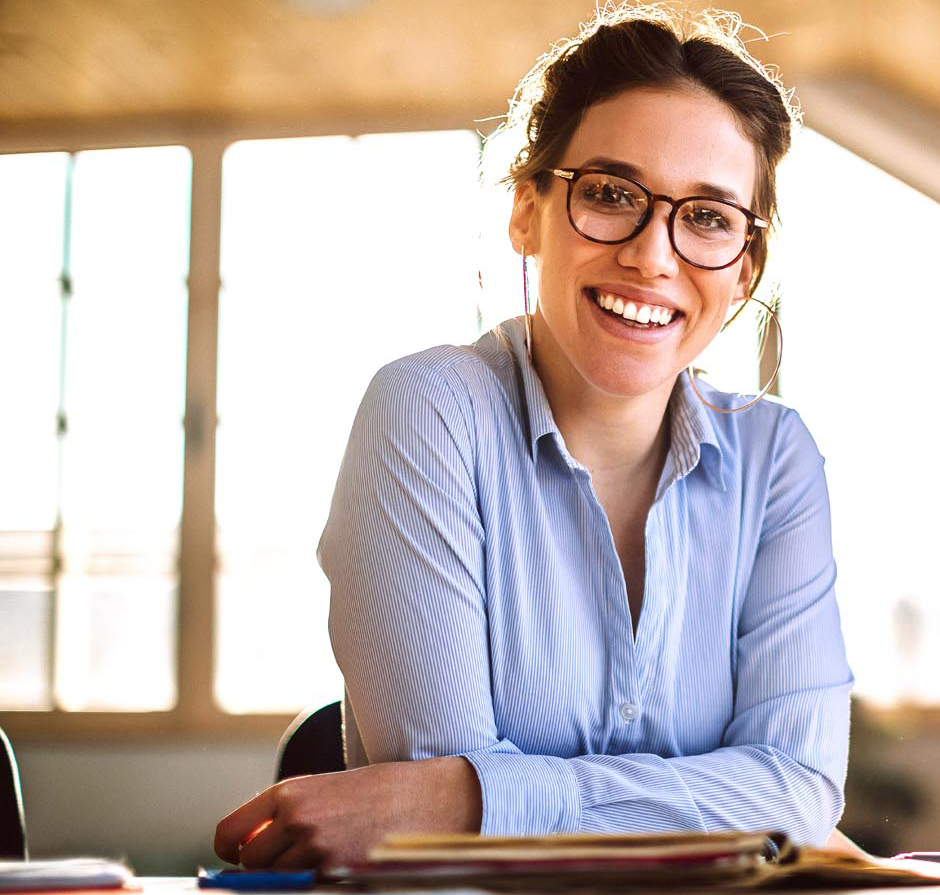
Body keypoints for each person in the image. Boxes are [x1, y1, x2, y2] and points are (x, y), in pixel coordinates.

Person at [214, 6, 851, 870]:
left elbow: (801, 788)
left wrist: (475, 796)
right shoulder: (428, 411)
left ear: (743, 268)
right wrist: (723, 800)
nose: (654, 256)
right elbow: (440, 846)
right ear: (527, 210)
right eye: (611, 194)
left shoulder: (777, 459)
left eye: (707, 216)